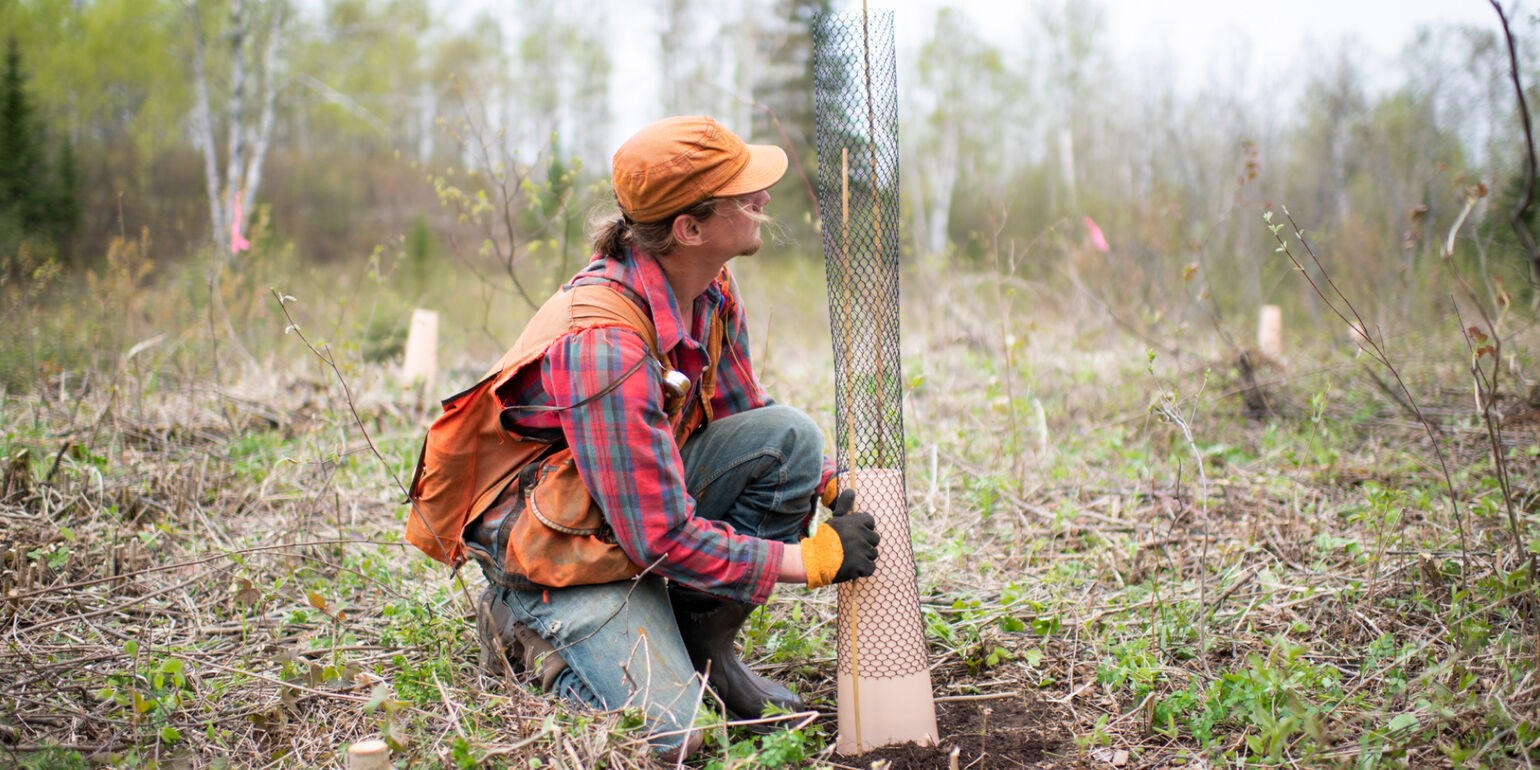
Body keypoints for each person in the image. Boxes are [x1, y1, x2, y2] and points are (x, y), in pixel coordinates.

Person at [466, 115, 881, 758]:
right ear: (688, 228)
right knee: (676, 734)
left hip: (624, 510)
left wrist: (832, 479)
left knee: (789, 439)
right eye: (745, 195)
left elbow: (747, 413)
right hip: (560, 551)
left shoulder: (709, 285)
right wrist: (812, 561)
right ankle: (521, 627)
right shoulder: (604, 344)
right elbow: (659, 536)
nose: (764, 200)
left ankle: (703, 644)